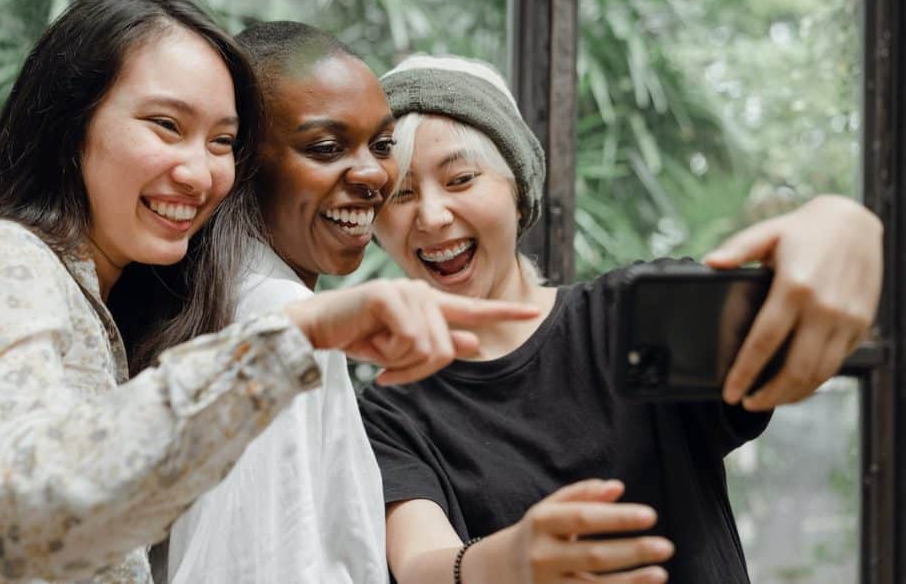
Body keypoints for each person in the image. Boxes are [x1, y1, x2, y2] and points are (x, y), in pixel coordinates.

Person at [0, 0, 538, 584]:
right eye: (166, 125)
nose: (199, 171)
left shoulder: (106, 301)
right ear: (69, 121)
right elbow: (21, 509)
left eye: (221, 142)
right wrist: (295, 338)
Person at [358, 54, 883, 584]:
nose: (430, 216)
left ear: (517, 191)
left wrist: (842, 223)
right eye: (399, 194)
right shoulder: (390, 407)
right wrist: (506, 560)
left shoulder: (635, 317)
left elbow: (795, 328)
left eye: (461, 178)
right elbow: (419, 562)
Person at [166, 22, 397, 583]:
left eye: (384, 145)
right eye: (326, 147)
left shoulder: (225, 298)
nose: (371, 173)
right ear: (243, 165)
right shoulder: (279, 318)